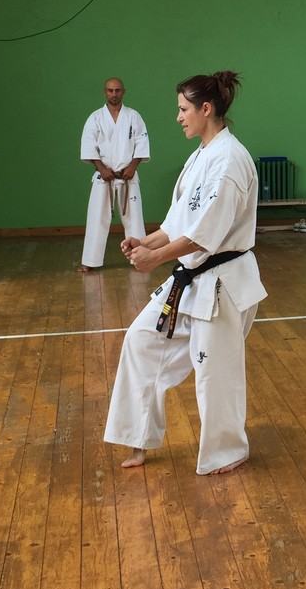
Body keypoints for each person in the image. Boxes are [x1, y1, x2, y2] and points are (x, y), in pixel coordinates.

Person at [103, 71, 266, 475]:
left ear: (205, 109)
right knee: (141, 340)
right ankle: (138, 437)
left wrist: (155, 259)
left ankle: (228, 450)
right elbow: (179, 224)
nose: (178, 117)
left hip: (223, 283)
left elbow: (203, 236)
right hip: (192, 281)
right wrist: (146, 242)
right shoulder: (201, 156)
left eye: (183, 109)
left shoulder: (229, 161)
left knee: (215, 372)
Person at [79, 78, 150, 272]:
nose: (114, 94)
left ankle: (139, 259)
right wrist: (101, 168)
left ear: (123, 92)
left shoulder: (133, 116)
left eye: (117, 90)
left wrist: (133, 166)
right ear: (105, 92)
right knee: (97, 219)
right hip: (104, 177)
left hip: (128, 176)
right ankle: (90, 261)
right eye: (110, 90)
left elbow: (141, 142)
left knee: (135, 220)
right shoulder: (95, 117)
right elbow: (89, 144)